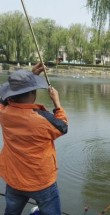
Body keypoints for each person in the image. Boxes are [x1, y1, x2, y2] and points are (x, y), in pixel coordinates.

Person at [0, 63, 68, 214]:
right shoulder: (41, 119)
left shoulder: (4, 112)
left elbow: (2, 97)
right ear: (32, 94)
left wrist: (31, 76)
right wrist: (57, 103)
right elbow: (62, 126)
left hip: (14, 180)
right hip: (41, 182)